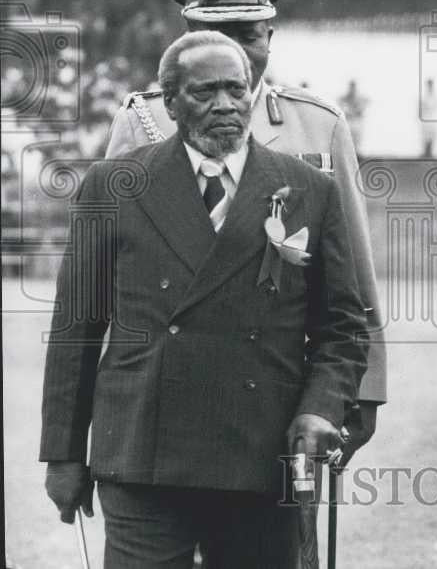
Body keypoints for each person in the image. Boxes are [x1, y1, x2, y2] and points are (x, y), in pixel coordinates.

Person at [41, 31, 369, 567]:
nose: (224, 105)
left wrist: (320, 409)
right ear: (170, 102)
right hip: (142, 452)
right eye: (204, 93)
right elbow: (76, 329)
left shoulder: (309, 189)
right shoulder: (114, 184)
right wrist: (63, 455)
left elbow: (343, 328)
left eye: (236, 90)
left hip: (262, 454)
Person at [104, 0, 385, 464]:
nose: (233, 52)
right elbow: (108, 276)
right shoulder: (144, 122)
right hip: (164, 390)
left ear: (270, 39)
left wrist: (361, 387)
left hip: (281, 390)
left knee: (281, 540)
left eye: (247, 34)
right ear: (185, 40)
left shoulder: (317, 126)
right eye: (215, 33)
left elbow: (353, 274)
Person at [338, 79, 369, 159]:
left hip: (357, 122)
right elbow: (342, 106)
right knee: (348, 138)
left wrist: (357, 109)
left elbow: (364, 104)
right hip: (349, 121)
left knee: (357, 138)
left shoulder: (360, 98)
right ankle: (349, 153)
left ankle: (357, 153)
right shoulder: (345, 97)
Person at [420, 77, 437, 157]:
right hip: (426, 120)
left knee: (431, 137)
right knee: (426, 137)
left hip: (432, 120)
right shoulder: (424, 97)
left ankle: (430, 153)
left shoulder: (434, 97)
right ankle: (426, 153)